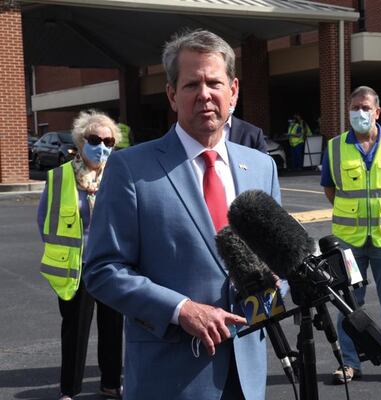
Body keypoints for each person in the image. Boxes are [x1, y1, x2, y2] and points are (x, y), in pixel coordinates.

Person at [83, 29, 280, 400]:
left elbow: (277, 260)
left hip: (247, 375)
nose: (204, 94)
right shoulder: (130, 169)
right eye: (191, 85)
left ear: (233, 91)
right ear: (172, 95)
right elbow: (103, 270)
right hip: (170, 378)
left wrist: (278, 281)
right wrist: (181, 309)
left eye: (214, 82)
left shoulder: (261, 167)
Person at [320, 86, 381, 386]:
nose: (358, 113)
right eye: (354, 108)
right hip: (349, 241)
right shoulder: (335, 147)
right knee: (348, 303)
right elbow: (330, 190)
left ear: (377, 112)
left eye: (364, 108)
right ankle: (349, 363)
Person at [37, 110, 123, 400]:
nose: (102, 147)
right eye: (95, 139)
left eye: (109, 142)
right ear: (80, 140)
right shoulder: (61, 177)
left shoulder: (118, 176)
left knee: (112, 327)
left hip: (111, 265)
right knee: (74, 330)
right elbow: (44, 221)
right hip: (76, 265)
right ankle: (69, 390)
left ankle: (111, 383)